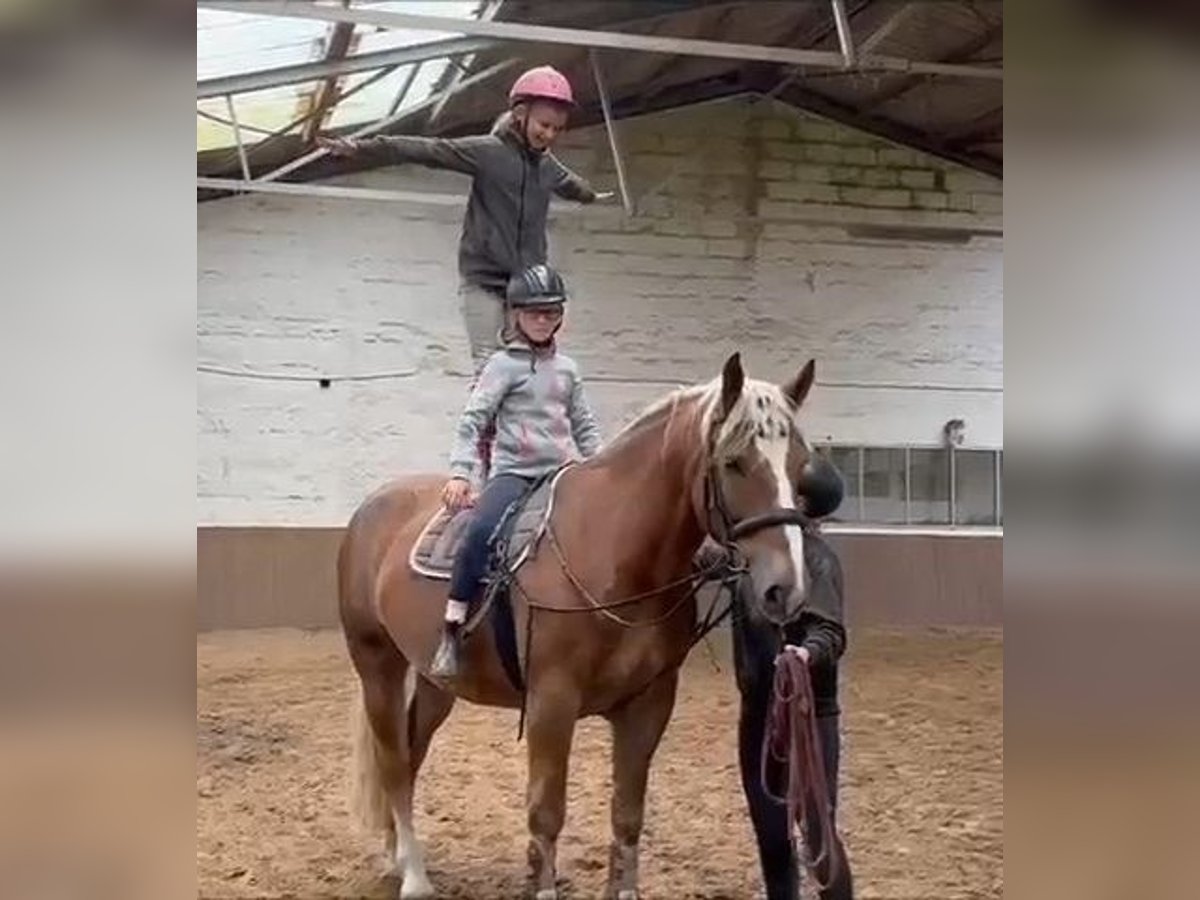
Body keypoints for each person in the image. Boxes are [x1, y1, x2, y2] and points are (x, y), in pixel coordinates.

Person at [317, 65, 611, 372]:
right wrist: (363, 148)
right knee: (489, 364)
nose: (549, 135)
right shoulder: (488, 152)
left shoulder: (548, 166)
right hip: (484, 278)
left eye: (557, 129)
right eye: (544, 125)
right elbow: (429, 150)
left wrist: (589, 194)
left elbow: (570, 183)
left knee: (529, 367)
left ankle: (523, 420)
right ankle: (485, 419)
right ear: (521, 114)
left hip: (527, 288)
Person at [430, 263, 602, 679]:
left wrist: (602, 470)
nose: (542, 319)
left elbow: (584, 426)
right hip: (514, 474)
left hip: (562, 474)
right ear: (515, 315)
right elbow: (472, 421)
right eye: (533, 312)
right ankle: (452, 627)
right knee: (479, 531)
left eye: (550, 311)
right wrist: (460, 473)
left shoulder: (568, 370)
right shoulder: (501, 367)